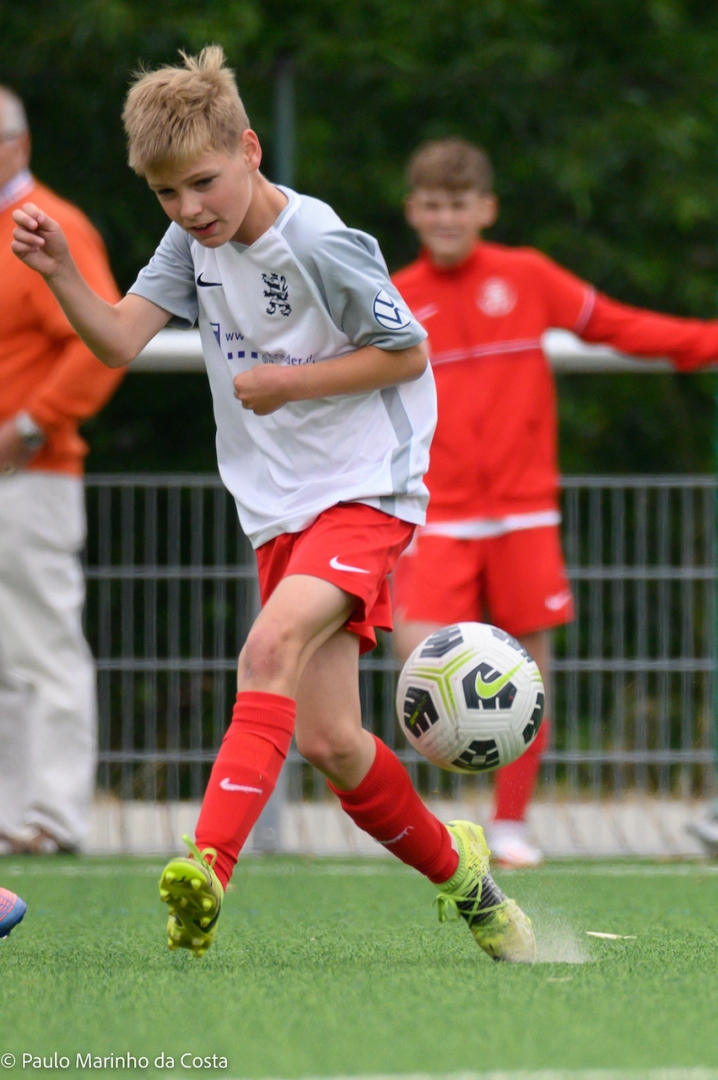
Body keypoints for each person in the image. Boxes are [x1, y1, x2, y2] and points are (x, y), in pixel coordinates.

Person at [11, 48, 536, 962]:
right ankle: (469, 881)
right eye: (167, 194)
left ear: (249, 150)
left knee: (266, 649)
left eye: (203, 183)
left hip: (366, 488)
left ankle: (207, 865)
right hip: (280, 510)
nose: (189, 209)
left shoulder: (320, 241)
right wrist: (60, 272)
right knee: (334, 743)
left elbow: (408, 351)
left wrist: (290, 385)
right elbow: (119, 342)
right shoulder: (192, 242)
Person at [392, 138, 718, 867]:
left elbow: (618, 324)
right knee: (416, 661)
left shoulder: (527, 275)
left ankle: (510, 824)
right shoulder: (395, 293)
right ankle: (420, 819)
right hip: (436, 513)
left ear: (486, 208)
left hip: (524, 510)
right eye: (433, 205)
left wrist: (707, 340)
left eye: (459, 204)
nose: (446, 219)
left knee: (526, 674)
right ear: (413, 211)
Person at [0, 87, 123, 855]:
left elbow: (101, 342)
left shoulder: (50, 224)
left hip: (30, 474)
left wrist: (30, 424)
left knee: (42, 646)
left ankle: (52, 817)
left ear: (18, 145)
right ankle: (16, 816)